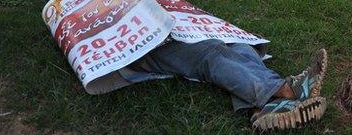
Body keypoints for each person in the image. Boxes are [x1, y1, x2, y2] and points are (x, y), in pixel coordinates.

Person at [114, 39, 328, 131]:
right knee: (212, 53)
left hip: (172, 33)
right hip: (145, 48)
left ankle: (263, 110)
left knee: (240, 47)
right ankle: (285, 90)